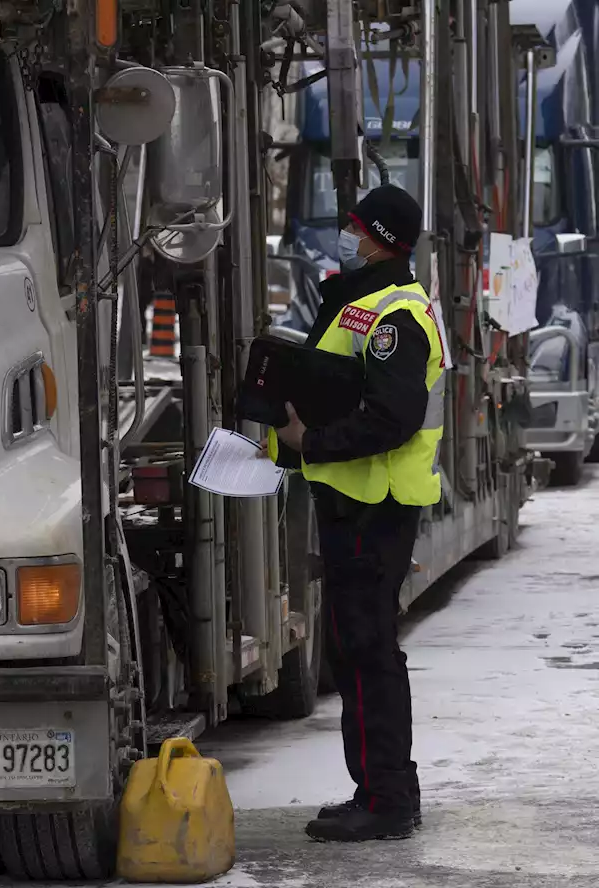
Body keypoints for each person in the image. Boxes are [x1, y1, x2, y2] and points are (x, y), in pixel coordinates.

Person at [264, 184, 447, 842]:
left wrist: (312, 442)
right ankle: (391, 787)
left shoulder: (395, 314)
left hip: (375, 506)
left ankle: (385, 799)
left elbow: (390, 420)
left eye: (354, 227)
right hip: (360, 503)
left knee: (364, 649)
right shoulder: (369, 301)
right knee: (365, 649)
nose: (346, 235)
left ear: (380, 239)